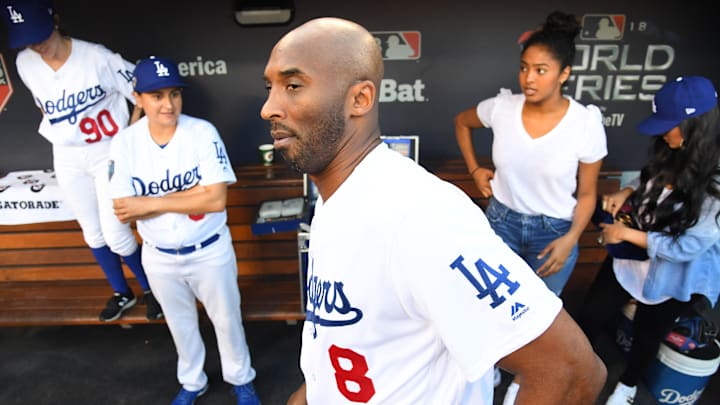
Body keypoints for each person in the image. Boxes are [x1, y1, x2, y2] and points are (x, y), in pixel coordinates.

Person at [261, 17, 606, 404]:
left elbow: (571, 371)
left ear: (360, 99)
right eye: (269, 87)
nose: (269, 108)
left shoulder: (418, 216)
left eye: (293, 86)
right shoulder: (336, 200)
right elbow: (350, 336)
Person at [454, 12, 607, 402]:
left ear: (564, 73)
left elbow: (587, 194)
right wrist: (475, 170)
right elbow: (461, 122)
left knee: (534, 319)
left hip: (553, 234)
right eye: (524, 68)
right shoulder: (502, 109)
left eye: (542, 70)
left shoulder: (585, 124)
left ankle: (523, 381)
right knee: (486, 305)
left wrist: (571, 239)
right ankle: (486, 371)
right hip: (500, 225)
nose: (530, 78)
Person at [107, 56, 260, 405]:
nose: (168, 104)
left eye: (174, 94)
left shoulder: (201, 132)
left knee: (227, 320)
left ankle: (241, 378)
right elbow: (124, 208)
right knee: (180, 324)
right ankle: (193, 381)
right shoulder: (125, 143)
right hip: (159, 255)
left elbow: (216, 199)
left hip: (208, 248)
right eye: (157, 95)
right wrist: (190, 196)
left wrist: (152, 202)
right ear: (139, 98)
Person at [0, 0, 160, 321]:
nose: (36, 45)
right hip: (68, 154)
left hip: (107, 152)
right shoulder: (25, 62)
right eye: (27, 39)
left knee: (116, 233)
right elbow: (44, 105)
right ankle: (121, 292)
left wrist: (130, 133)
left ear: (55, 21)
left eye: (39, 35)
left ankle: (152, 290)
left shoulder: (97, 57)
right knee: (92, 232)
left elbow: (145, 91)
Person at [579, 75, 720, 405]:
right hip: (629, 259)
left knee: (647, 332)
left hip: (673, 276)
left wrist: (625, 232)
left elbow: (687, 247)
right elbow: (652, 189)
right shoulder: (671, 148)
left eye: (669, 124)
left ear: (696, 125)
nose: (662, 132)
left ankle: (627, 386)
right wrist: (627, 193)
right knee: (591, 314)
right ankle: (573, 365)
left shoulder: (715, 181)